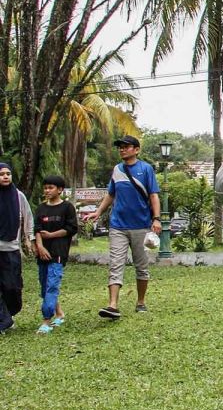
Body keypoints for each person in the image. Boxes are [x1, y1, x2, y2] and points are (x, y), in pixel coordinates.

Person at [82, 135, 162, 319]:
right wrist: (98, 211)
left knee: (141, 266)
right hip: (118, 226)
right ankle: (112, 305)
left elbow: (154, 196)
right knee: (115, 264)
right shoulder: (117, 170)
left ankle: (141, 302)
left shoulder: (146, 169)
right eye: (120, 147)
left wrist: (156, 219)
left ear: (136, 149)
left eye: (126, 147)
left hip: (141, 226)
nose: (122, 149)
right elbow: (111, 195)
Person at [33, 174, 77, 334]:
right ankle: (59, 313)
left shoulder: (67, 207)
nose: (47, 190)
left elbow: (71, 228)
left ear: (60, 190)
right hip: (42, 253)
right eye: (45, 188)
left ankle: (46, 321)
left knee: (52, 285)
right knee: (45, 286)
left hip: (58, 252)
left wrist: (51, 235)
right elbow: (37, 229)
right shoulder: (41, 208)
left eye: (50, 188)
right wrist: (39, 246)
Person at [0, 162, 34, 335]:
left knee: (12, 287)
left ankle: (9, 314)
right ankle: (3, 321)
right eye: (2, 174)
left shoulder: (18, 195)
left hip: (12, 248)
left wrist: (29, 238)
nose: (5, 176)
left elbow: (27, 216)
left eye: (8, 173)